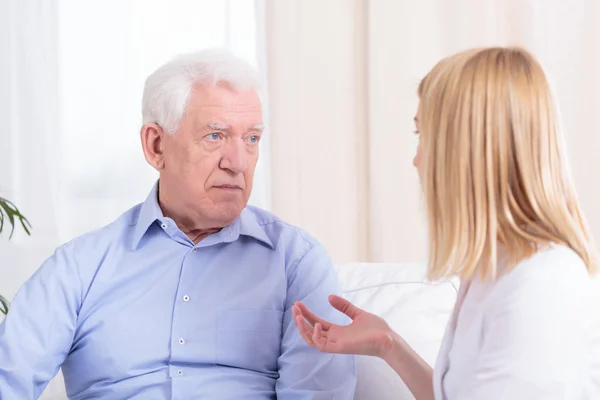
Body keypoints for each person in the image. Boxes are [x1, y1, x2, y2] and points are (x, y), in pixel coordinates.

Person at [0, 49, 356, 399]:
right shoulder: (78, 268)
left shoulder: (296, 262)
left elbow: (318, 394)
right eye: (215, 135)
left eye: (251, 139)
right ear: (156, 146)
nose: (237, 162)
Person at [293, 47, 600, 399]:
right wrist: (388, 345)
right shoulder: (495, 270)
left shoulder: (542, 288)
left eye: (422, 135)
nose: (416, 159)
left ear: (463, 148)